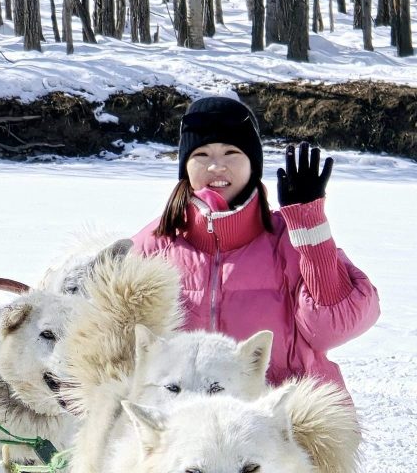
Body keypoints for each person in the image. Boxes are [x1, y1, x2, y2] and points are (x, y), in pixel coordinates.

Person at [131, 95, 379, 390]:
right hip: (184, 425)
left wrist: (310, 226)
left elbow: (333, 328)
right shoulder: (152, 247)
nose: (216, 167)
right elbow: (113, 341)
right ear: (185, 165)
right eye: (202, 155)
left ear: (253, 165)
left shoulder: (289, 239)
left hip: (282, 422)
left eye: (231, 152)